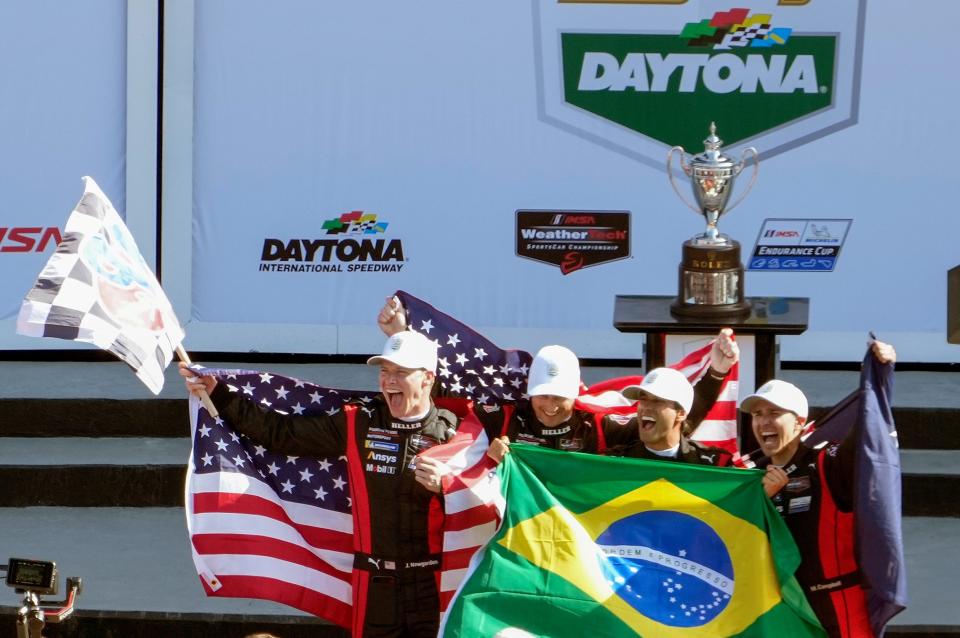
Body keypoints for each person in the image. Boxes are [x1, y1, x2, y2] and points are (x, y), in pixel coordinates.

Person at [180, 330, 471, 638]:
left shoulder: (457, 434)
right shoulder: (360, 420)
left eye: (400, 372)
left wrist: (448, 486)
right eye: (385, 372)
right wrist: (221, 396)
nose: (389, 381)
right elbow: (282, 433)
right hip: (376, 586)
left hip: (435, 583)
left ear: (427, 378)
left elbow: (486, 505)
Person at [376, 295, 739, 462]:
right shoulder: (506, 417)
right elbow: (434, 393)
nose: (549, 406)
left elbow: (672, 423)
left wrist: (717, 373)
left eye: (558, 398)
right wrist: (402, 338)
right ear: (529, 392)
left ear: (574, 396)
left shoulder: (597, 425)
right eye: (541, 396)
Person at [742, 340, 897, 638]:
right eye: (757, 414)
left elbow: (868, 433)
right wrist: (761, 501)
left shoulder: (828, 462)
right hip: (778, 607)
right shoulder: (751, 480)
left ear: (800, 423)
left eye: (774, 413)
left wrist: (881, 376)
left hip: (835, 604)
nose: (764, 422)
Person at [606, 366, 734, 466]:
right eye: (643, 399)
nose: (646, 407)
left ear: (681, 413)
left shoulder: (715, 466)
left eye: (657, 400)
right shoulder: (614, 464)